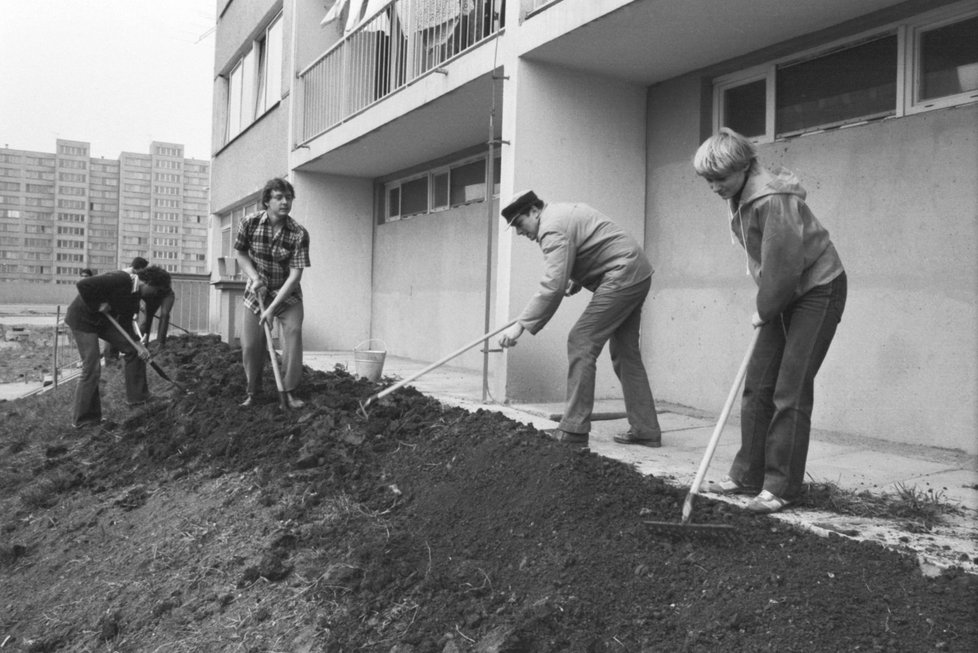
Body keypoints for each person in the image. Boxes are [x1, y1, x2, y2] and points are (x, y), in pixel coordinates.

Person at [693, 127, 847, 514]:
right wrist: (768, 301)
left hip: (817, 289)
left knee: (790, 389)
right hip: (785, 289)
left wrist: (764, 308)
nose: (714, 187)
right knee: (758, 384)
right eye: (708, 181)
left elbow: (785, 264)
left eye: (720, 179)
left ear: (744, 167)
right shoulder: (741, 194)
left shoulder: (771, 199)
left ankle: (780, 487)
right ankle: (748, 476)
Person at [497, 190, 662, 450]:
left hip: (622, 274)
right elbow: (592, 243)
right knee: (625, 353)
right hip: (636, 272)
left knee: (581, 341)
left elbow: (552, 285)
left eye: (519, 223)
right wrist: (576, 278)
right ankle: (646, 430)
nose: (519, 232)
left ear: (534, 211)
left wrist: (519, 326)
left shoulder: (551, 229)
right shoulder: (561, 213)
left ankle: (574, 431)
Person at [234, 177, 310, 409]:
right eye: (279, 197)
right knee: (250, 344)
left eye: (288, 198)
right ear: (267, 201)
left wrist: (273, 308)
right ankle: (253, 392)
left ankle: (289, 391)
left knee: (293, 335)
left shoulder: (298, 233)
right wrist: (255, 277)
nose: (285, 202)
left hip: (287, 294)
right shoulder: (249, 222)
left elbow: (295, 276)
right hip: (258, 290)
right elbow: (241, 254)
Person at [65, 265, 172, 428]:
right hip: (83, 319)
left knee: (135, 352)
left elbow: (126, 322)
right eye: (156, 291)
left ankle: (139, 398)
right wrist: (98, 304)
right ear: (148, 283)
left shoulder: (135, 297)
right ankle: (84, 420)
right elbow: (83, 285)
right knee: (91, 367)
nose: (155, 296)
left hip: (103, 321)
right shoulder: (120, 278)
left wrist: (138, 344)